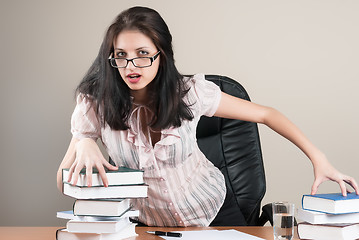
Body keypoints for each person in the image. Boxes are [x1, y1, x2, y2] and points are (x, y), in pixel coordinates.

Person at [57, 6, 358, 227]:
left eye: (142, 53)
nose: (131, 65)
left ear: (162, 55)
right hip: (147, 223)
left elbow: (267, 114)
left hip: (214, 210)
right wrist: (82, 140)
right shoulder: (96, 103)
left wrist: (319, 158)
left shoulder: (191, 92)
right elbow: (63, 183)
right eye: (120, 55)